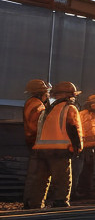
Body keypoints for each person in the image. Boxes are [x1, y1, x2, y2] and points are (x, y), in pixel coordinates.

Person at [23, 81, 84, 209]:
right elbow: (75, 128)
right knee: (62, 178)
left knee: (41, 179)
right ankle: (60, 201)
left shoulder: (47, 109)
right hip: (60, 150)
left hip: (41, 149)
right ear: (69, 95)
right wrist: (77, 147)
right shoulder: (69, 108)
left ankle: (35, 204)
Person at [20, 79, 51, 209]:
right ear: (42, 93)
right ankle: (34, 203)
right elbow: (38, 126)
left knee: (34, 174)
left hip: (32, 142)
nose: (48, 95)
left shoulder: (30, 103)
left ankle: (29, 201)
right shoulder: (37, 105)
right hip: (37, 143)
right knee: (39, 174)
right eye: (47, 92)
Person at [71, 94, 95, 199]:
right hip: (84, 148)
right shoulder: (82, 115)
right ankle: (76, 192)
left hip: (92, 148)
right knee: (80, 171)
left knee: (89, 171)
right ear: (90, 105)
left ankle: (87, 191)